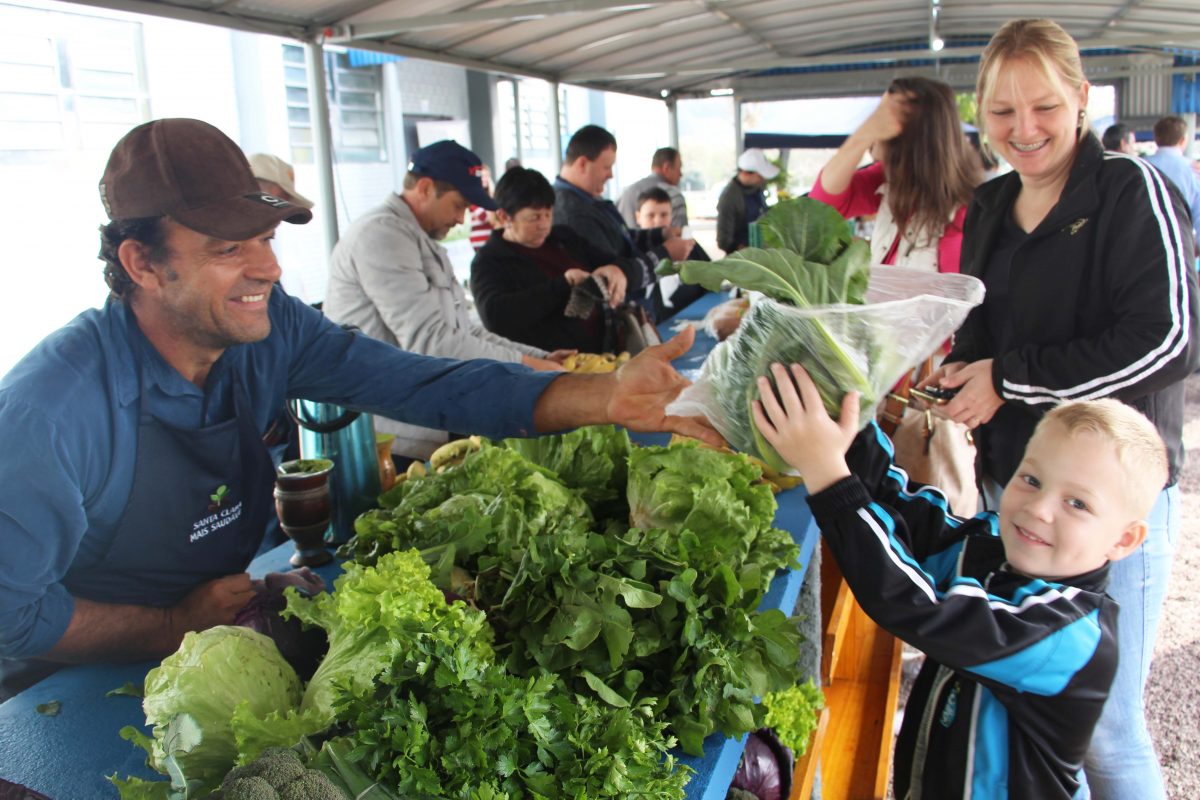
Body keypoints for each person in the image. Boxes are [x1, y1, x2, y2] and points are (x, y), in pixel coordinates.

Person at [0, 118, 718, 700]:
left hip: (203, 648)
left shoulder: (268, 328)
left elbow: (423, 383)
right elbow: (11, 614)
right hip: (60, 689)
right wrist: (165, 624)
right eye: (229, 249)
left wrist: (607, 395)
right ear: (142, 264)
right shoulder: (51, 412)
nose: (270, 269)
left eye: (267, 241)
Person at [923, 19, 1200, 799]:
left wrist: (1009, 380)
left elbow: (1169, 340)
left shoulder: (1127, 190)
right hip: (1015, 494)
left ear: (1080, 98)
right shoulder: (990, 204)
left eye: (1042, 106)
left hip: (1103, 506)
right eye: (1002, 113)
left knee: (1107, 729)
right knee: (1035, 706)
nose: (1024, 130)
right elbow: (982, 327)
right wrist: (949, 373)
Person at [752, 362, 1167, 800]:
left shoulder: (1069, 636)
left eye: (1078, 503)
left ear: (1124, 539)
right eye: (1031, 479)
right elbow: (906, 512)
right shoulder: (992, 547)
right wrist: (851, 423)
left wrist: (826, 473)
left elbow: (919, 607)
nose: (1039, 509)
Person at [323, 140, 563, 461]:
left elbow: (465, 331)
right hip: (386, 441)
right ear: (424, 188)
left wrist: (542, 357)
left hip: (423, 421)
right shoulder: (382, 235)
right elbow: (431, 340)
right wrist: (532, 368)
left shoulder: (420, 238)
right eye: (459, 205)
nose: (462, 219)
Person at [810, 77, 982, 273]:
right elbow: (820, 207)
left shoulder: (963, 215)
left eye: (884, 114)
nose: (875, 122)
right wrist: (861, 137)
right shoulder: (889, 178)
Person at [470, 167, 633, 353]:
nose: (544, 225)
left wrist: (615, 269)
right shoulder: (489, 261)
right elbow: (496, 317)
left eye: (548, 214)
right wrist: (563, 284)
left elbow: (612, 261)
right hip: (545, 367)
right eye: (534, 217)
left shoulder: (563, 238)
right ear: (504, 216)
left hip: (602, 353)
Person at [552, 125, 693, 317]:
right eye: (606, 167)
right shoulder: (573, 214)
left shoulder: (588, 199)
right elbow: (613, 272)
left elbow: (620, 236)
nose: (610, 175)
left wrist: (660, 234)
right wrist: (665, 254)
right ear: (583, 163)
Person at [1144, 115, 1200, 255]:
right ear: (1183, 140)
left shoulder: (1138, 167)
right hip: (1180, 244)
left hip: (1143, 243)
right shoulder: (1193, 170)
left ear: (1156, 139)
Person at [715, 148, 778, 254]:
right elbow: (723, 241)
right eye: (759, 176)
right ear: (745, 173)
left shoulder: (756, 189)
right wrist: (748, 252)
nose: (762, 180)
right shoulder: (729, 198)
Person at [616, 146, 689, 228]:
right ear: (667, 167)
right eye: (679, 168)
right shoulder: (674, 195)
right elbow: (681, 235)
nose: (681, 174)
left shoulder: (626, 192)